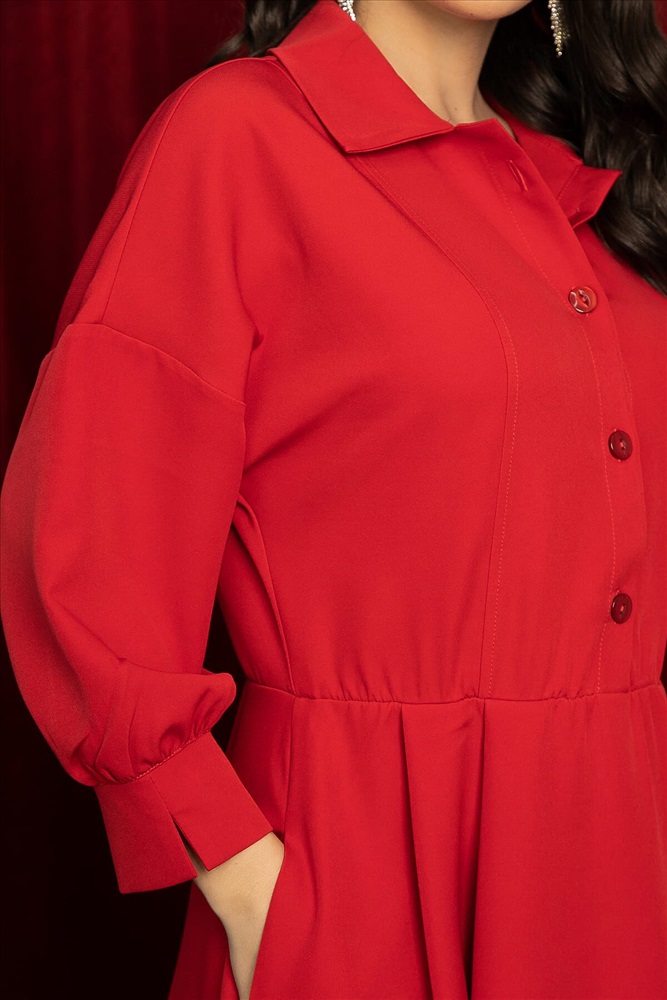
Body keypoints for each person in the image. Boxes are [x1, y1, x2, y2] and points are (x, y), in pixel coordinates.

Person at [1, 0, 665, 997]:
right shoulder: (238, 137)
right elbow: (92, 518)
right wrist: (243, 879)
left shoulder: (590, 162)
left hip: (617, 860)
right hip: (358, 867)